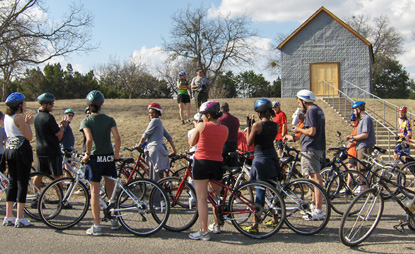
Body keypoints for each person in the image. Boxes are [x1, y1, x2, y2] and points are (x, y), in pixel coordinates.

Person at [80, 90, 121, 236]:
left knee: (95, 193)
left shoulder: (86, 121)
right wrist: (116, 155)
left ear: (89, 106)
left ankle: (96, 226)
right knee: (111, 192)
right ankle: (114, 220)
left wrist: (87, 154)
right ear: (101, 104)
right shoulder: (109, 119)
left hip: (95, 159)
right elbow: (117, 138)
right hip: (108, 158)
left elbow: (89, 139)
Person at [188, 101, 228, 241]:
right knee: (216, 197)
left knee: (201, 198)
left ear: (209, 115)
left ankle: (204, 231)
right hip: (217, 163)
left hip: (201, 162)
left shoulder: (201, 126)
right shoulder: (225, 129)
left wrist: (198, 127)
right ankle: (216, 225)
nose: (202, 117)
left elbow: (191, 143)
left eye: (203, 115)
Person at [284, 90, 326, 221]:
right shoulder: (317, 110)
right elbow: (311, 128)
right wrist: (300, 126)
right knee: (313, 178)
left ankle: (318, 210)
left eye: (299, 102)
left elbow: (311, 131)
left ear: (303, 101)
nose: (299, 105)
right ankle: (314, 207)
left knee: (316, 178)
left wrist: (298, 129)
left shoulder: (312, 111)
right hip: (317, 147)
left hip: (311, 148)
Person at [243, 98, 281, 233]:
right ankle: (275, 219)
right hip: (272, 157)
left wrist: (249, 126)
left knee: (260, 190)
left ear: (259, 113)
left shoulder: (257, 126)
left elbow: (248, 142)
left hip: (260, 159)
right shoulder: (275, 125)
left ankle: (255, 224)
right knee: (273, 189)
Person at [2, 92, 34, 228]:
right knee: (22, 183)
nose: (25, 105)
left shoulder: (6, 118)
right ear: (19, 105)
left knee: (12, 183)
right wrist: (28, 124)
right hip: (21, 152)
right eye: (23, 103)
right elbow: (29, 136)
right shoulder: (18, 118)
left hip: (9, 150)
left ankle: (8, 216)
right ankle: (20, 217)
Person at [33, 93, 68, 193]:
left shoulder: (37, 117)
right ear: (44, 104)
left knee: (39, 174)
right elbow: (58, 133)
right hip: (52, 150)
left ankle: (36, 197)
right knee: (56, 176)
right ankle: (61, 200)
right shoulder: (49, 118)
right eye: (51, 104)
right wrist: (63, 126)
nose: (52, 106)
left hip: (40, 149)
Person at [137, 102, 177, 182]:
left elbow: (146, 134)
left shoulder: (155, 121)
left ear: (157, 113)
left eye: (153, 113)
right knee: (159, 177)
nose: (151, 114)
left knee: (154, 178)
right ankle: (162, 193)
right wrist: (174, 150)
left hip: (155, 151)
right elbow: (168, 137)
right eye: (149, 113)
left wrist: (139, 144)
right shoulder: (159, 123)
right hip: (160, 150)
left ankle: (156, 194)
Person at [345, 101, 375, 178]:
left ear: (358, 110)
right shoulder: (362, 119)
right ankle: (363, 188)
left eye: (354, 111)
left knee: (363, 170)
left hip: (365, 146)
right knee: (360, 170)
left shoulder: (366, 119)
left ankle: (366, 188)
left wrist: (352, 137)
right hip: (360, 147)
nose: (354, 113)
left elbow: (365, 135)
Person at [217, 102, 240, 167]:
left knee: (222, 167)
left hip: (224, 145)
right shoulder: (235, 119)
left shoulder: (220, 120)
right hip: (234, 145)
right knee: (233, 167)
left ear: (220, 110)